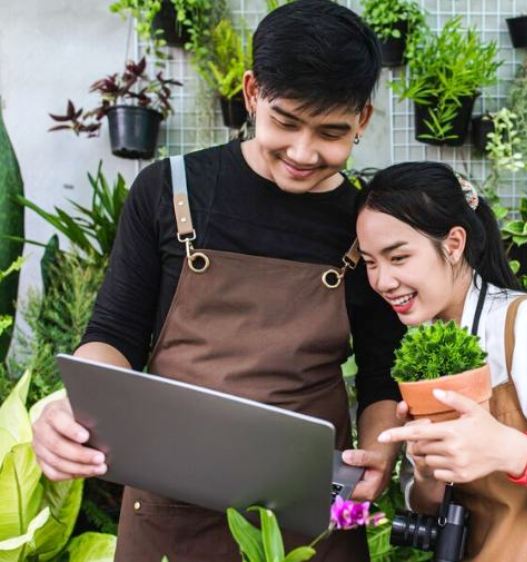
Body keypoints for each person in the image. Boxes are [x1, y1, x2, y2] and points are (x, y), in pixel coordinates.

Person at [30, 1, 405, 560]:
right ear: (253, 94)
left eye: (332, 133)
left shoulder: (367, 222)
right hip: (168, 515)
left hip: (312, 523)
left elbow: (382, 377)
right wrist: (70, 410)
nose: (303, 153)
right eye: (285, 122)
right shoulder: (169, 191)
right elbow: (113, 336)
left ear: (363, 121)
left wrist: (379, 453)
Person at [355, 162, 527, 561]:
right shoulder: (424, 346)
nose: (382, 281)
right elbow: (427, 505)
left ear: (453, 244)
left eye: (397, 258)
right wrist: (428, 470)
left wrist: (512, 451)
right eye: (369, 262)